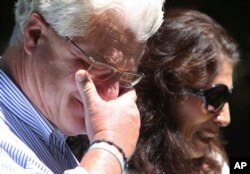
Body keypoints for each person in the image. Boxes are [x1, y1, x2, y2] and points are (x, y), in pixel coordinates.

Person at [0, 0, 165, 173]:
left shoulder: (51, 137)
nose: (111, 94)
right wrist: (110, 149)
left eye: (125, 77)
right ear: (34, 34)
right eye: (99, 68)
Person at [128, 8, 240, 174]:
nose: (225, 119)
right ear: (166, 90)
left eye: (227, 97)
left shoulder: (214, 164)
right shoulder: (109, 163)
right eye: (216, 96)